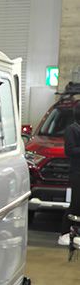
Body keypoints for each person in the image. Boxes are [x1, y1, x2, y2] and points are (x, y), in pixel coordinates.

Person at [58, 104, 80, 246]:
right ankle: (64, 233)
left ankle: (76, 233)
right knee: (76, 203)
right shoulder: (72, 129)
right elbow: (70, 150)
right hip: (77, 172)